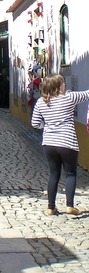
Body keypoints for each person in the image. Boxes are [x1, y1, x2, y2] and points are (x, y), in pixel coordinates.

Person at [31, 74, 89, 216]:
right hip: (67, 142)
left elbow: (35, 123)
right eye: (63, 83)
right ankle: (70, 205)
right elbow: (87, 95)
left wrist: (49, 125)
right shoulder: (69, 98)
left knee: (53, 174)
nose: (65, 85)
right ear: (58, 86)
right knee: (70, 174)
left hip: (49, 143)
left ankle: (51, 207)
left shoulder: (41, 102)